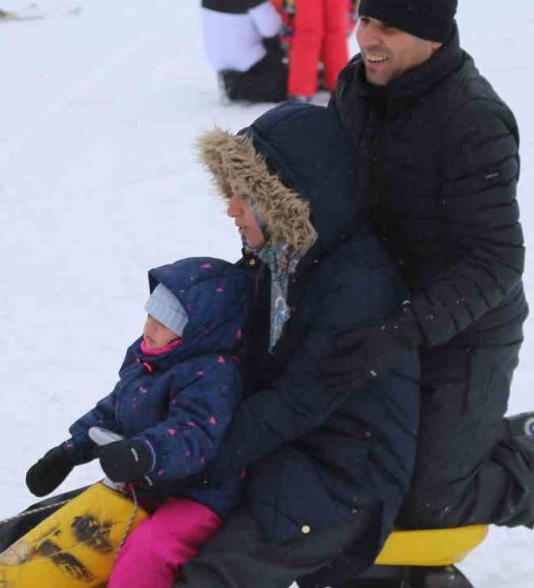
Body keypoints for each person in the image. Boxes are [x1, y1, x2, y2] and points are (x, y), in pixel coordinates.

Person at [322, 0, 534, 565]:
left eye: (390, 27)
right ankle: (523, 435)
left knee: (431, 503)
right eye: (366, 20)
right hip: (389, 315)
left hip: (468, 331)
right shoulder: (356, 87)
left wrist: (400, 332)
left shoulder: (474, 120)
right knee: (373, 470)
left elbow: (495, 263)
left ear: (431, 36)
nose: (368, 39)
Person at [175, 102, 419, 587]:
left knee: (211, 577)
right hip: (291, 454)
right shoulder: (279, 258)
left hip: (347, 474)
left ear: (290, 199)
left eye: (245, 195)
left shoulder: (356, 286)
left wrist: (196, 463)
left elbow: (295, 403)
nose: (231, 209)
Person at [0, 257, 252, 588]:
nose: (148, 328)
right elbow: (112, 410)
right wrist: (67, 454)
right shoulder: (148, 357)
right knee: (57, 518)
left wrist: (144, 452)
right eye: (149, 316)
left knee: (148, 551)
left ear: (194, 332)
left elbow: (194, 436)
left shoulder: (212, 373)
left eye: (163, 324)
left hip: (196, 495)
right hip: (144, 480)